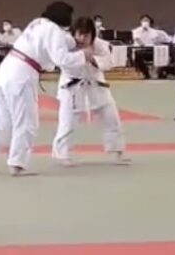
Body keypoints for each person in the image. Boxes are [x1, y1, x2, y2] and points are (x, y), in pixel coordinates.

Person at [0, 1, 92, 176]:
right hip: (21, 75)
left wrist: (74, 42)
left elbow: (61, 40)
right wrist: (83, 55)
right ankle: (17, 164)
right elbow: (61, 59)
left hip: (6, 70)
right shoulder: (54, 30)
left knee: (1, 120)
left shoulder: (37, 23)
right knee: (27, 121)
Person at [53, 17, 128, 166]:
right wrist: (81, 56)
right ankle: (62, 154)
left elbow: (108, 63)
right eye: (79, 34)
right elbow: (62, 62)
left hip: (96, 84)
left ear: (92, 34)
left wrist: (92, 58)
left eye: (86, 35)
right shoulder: (66, 44)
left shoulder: (100, 45)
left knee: (111, 117)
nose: (82, 39)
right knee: (68, 121)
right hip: (72, 86)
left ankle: (116, 151)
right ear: (73, 33)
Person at [131, 15, 170, 79]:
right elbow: (137, 40)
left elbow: (156, 41)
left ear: (150, 22)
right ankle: (146, 73)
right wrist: (143, 45)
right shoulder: (136, 31)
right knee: (138, 56)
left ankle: (159, 73)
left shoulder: (154, 32)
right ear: (141, 21)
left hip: (151, 51)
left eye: (147, 20)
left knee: (164, 54)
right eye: (144, 20)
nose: (145, 22)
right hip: (140, 51)